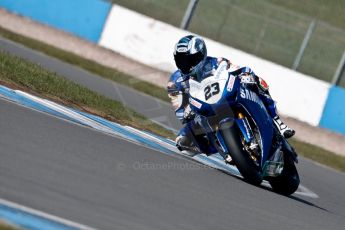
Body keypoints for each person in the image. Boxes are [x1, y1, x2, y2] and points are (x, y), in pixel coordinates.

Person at [167, 35, 295, 158]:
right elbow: (179, 108)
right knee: (182, 142)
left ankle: (277, 121)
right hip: (202, 112)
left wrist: (244, 74)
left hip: (224, 97)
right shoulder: (176, 81)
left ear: (201, 55)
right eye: (181, 61)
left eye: (189, 60)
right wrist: (186, 112)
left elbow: (236, 69)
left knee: (256, 80)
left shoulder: (216, 62)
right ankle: (224, 149)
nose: (186, 65)